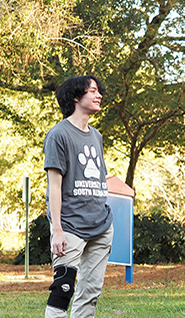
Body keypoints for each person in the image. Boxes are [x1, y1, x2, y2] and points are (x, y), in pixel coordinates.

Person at [43, 76, 114, 318]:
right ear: (76, 97)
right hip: (70, 226)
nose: (99, 95)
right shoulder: (58, 135)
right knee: (63, 289)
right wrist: (57, 229)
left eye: (98, 91)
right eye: (92, 91)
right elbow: (54, 186)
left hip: (101, 226)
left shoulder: (96, 136)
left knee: (90, 294)